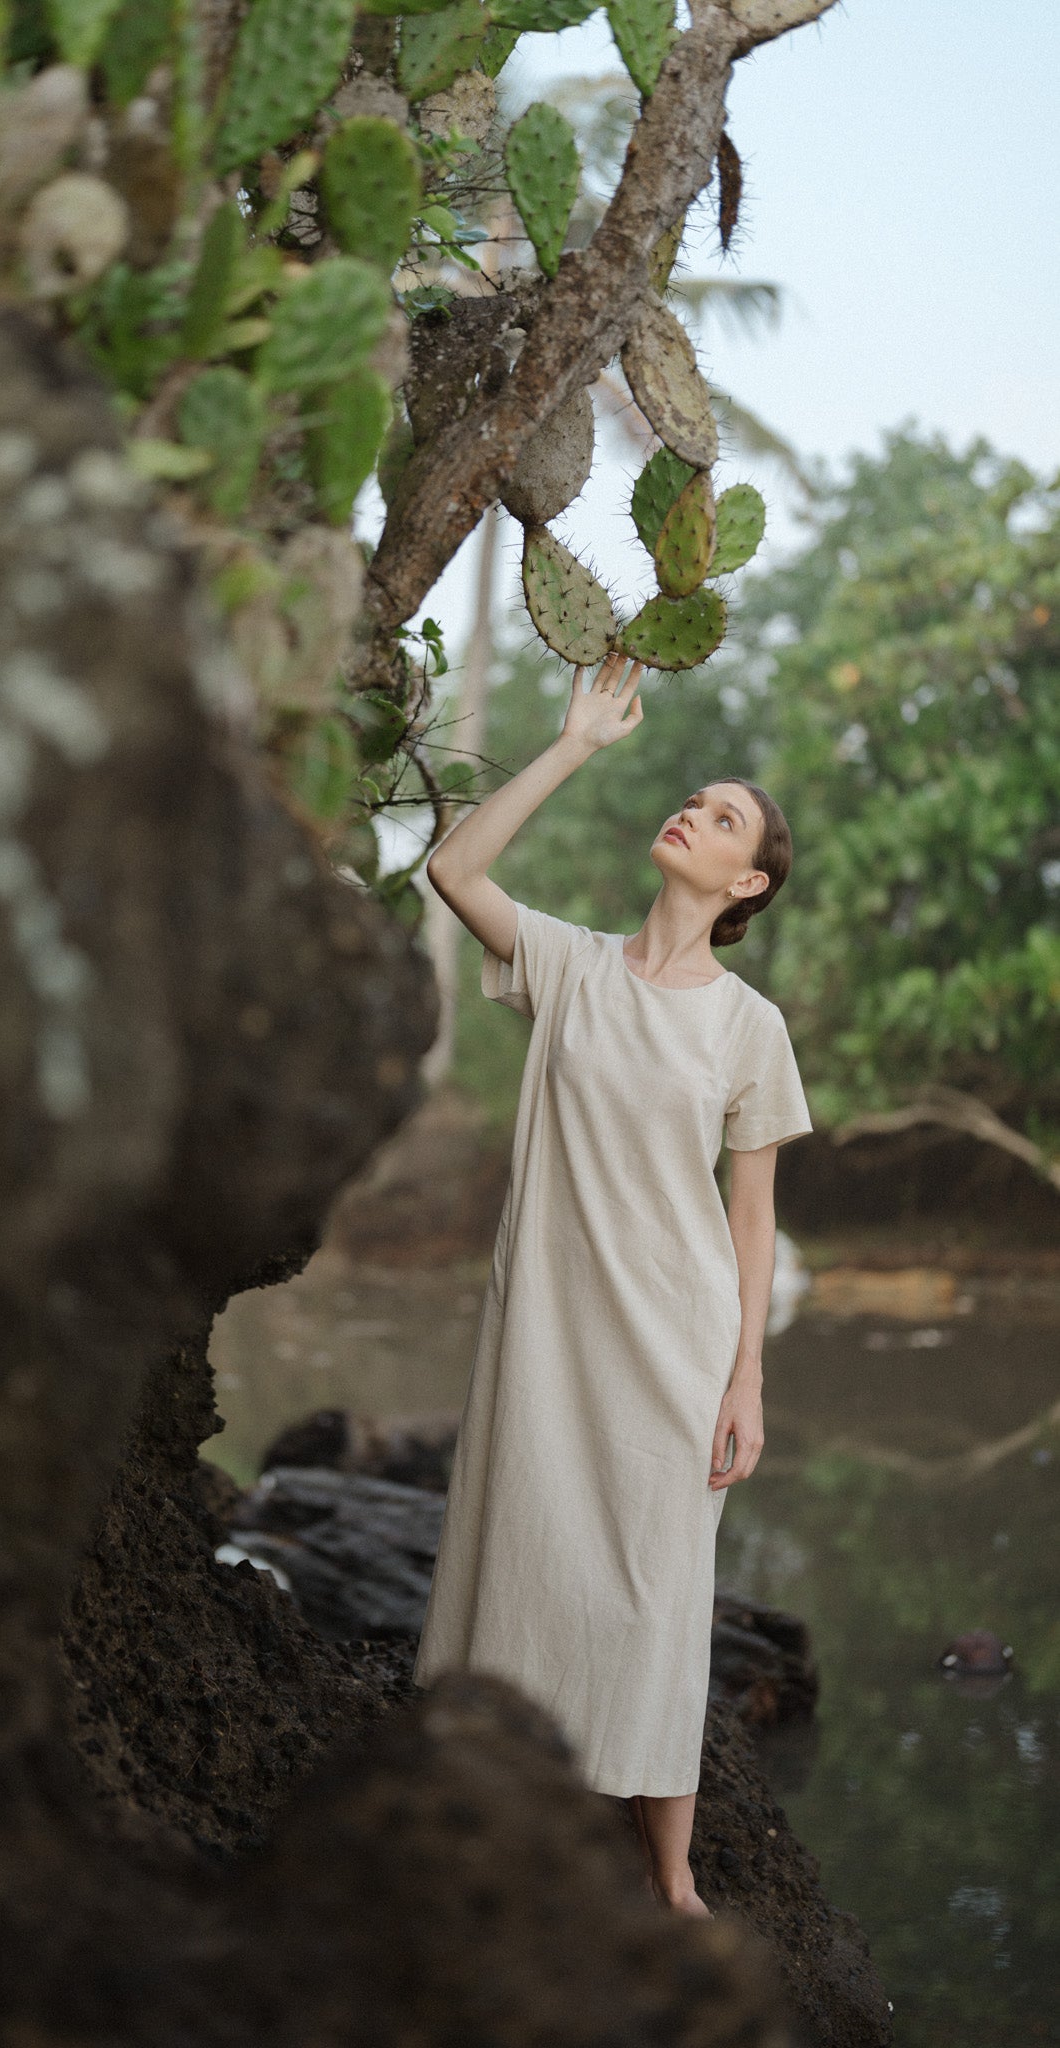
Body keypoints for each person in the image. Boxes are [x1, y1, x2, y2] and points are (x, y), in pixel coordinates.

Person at [411, 648, 813, 1917]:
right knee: (517, 1553)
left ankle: (672, 1875)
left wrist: (747, 1373)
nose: (692, 808)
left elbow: (752, 1217)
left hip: (678, 1344)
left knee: (657, 1593)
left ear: (745, 880)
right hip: (549, 1336)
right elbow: (452, 870)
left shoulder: (750, 1026)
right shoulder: (572, 966)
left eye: (725, 813)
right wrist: (578, 739)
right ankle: (487, 1814)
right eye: (692, 794)